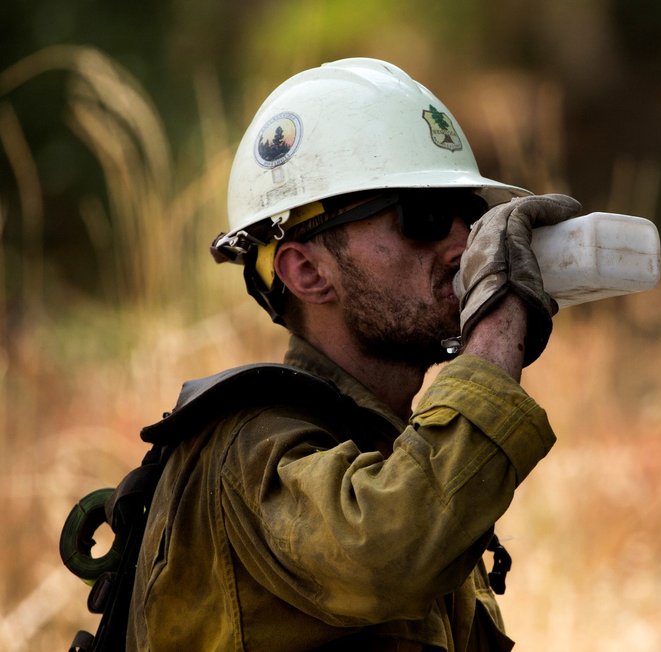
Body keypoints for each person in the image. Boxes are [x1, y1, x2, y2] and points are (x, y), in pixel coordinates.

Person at [126, 57, 581, 650]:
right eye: (421, 217)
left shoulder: (403, 453)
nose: (462, 244)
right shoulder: (250, 450)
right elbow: (389, 552)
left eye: (472, 215)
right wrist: (497, 327)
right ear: (307, 270)